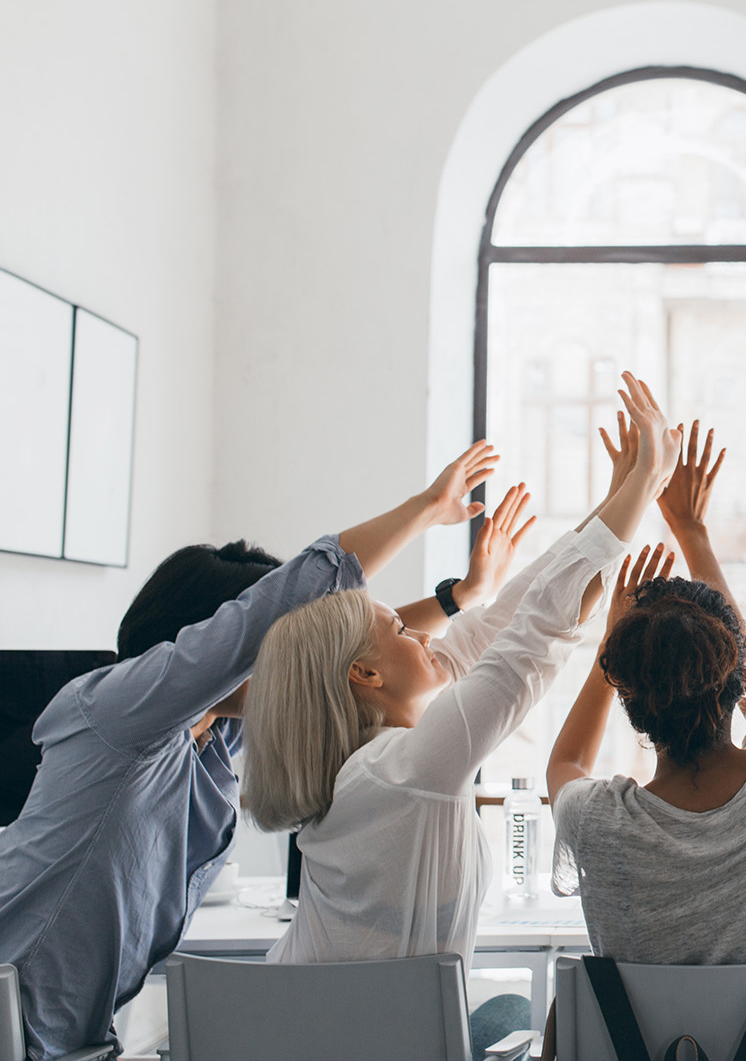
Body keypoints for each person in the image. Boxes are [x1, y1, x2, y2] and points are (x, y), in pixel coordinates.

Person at [0, 440, 505, 1061]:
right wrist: (427, 507)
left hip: (72, 1039)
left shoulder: (214, 734)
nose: (290, 659)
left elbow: (348, 654)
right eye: (269, 642)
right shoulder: (115, 712)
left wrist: (456, 600)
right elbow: (296, 624)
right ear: (212, 647)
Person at [240, 375, 678, 1058]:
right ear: (366, 675)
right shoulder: (401, 774)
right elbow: (532, 637)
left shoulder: (373, 771)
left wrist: (627, 498)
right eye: (400, 629)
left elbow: (505, 618)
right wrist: (640, 483)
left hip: (311, 1034)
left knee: (502, 1007)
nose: (426, 635)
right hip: (359, 1045)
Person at [546, 421, 746, 969]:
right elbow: (745, 657)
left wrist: (612, 640)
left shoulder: (595, 821)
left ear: (624, 688)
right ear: (737, 677)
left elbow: (566, 761)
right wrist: (691, 530)